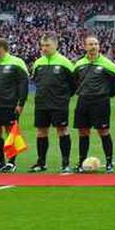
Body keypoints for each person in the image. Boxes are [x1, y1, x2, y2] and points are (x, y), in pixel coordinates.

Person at [29, 34, 76, 173]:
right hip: (41, 103)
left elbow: (73, 84)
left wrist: (64, 98)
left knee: (62, 130)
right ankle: (41, 162)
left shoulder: (65, 62)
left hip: (58, 104)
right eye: (42, 46)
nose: (44, 48)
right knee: (41, 132)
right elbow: (36, 81)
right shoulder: (38, 63)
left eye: (47, 45)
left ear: (56, 45)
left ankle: (65, 163)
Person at [0, 38, 29, 173]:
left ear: (1, 48)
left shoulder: (17, 62)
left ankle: (11, 162)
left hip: (9, 105)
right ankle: (0, 161)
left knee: (11, 133)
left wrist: (21, 103)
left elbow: (23, 85)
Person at [73, 36, 115, 173]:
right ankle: (81, 162)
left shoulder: (108, 64)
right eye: (90, 44)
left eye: (96, 44)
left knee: (103, 131)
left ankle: (109, 162)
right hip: (83, 100)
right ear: (85, 46)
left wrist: (107, 94)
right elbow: (74, 81)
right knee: (83, 131)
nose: (93, 46)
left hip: (100, 102)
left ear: (99, 46)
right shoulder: (79, 64)